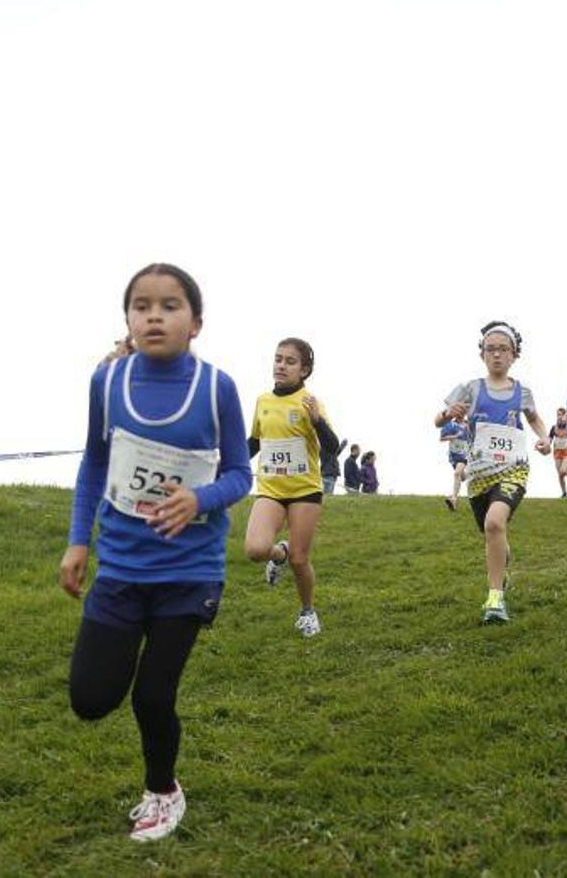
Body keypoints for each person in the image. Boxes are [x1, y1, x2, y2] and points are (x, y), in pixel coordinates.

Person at [61, 263, 252, 842]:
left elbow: (242, 473)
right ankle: (156, 778)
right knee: (91, 700)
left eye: (170, 306)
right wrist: (78, 541)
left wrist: (201, 498)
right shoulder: (107, 383)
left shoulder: (216, 388)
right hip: (121, 568)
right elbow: (95, 463)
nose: (154, 315)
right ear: (128, 319)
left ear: (196, 323)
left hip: (189, 571)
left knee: (152, 694)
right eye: (142, 305)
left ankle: (163, 792)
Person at [437, 321, 551, 623]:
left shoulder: (522, 392)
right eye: (491, 349)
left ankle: (495, 600)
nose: (497, 355)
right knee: (491, 533)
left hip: (513, 470)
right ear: (482, 354)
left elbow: (536, 419)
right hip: (479, 475)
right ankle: (503, 565)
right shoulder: (470, 388)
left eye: (504, 349)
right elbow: (438, 420)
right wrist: (450, 413)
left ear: (514, 355)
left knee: (494, 523)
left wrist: (544, 438)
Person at [243, 338, 338, 639]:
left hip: (304, 491)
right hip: (270, 488)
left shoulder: (310, 402)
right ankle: (277, 555)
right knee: (255, 550)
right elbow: (255, 442)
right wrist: (226, 463)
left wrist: (317, 421)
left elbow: (332, 447)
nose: (281, 366)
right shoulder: (263, 401)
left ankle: (307, 611)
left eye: (290, 361)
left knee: (301, 559)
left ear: (305, 370)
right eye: (278, 359)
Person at [440, 419, 470, 511]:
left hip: (465, 453)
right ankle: (471, 475)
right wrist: (455, 436)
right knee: (462, 477)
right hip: (454, 455)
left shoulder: (469, 423)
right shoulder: (451, 424)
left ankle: (453, 499)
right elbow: (442, 438)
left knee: (457, 473)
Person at [550, 408, 567, 497]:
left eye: (561, 414)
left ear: (565, 416)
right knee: (560, 474)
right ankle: (564, 493)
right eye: (558, 414)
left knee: (563, 470)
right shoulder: (553, 427)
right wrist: (545, 445)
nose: (559, 416)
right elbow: (550, 439)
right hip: (557, 452)